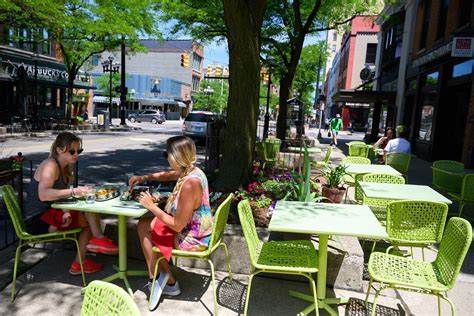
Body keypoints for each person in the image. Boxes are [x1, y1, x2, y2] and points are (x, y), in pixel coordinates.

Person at [129, 136, 213, 310]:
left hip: (193, 239)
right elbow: (167, 176)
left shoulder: (190, 184)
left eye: (167, 154)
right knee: (146, 224)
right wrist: (143, 177)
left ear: (177, 157)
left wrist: (151, 206)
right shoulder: (191, 171)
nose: (166, 157)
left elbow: (177, 225)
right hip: (198, 231)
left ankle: (162, 279)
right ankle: (164, 277)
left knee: (146, 227)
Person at [32, 132, 118, 275]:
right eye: (72, 151)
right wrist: (74, 191)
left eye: (79, 151)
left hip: (52, 213)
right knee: (90, 219)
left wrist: (66, 211)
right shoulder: (50, 165)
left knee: (89, 213)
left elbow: (60, 196)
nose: (76, 154)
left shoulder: (65, 167)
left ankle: (85, 256)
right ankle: (93, 245)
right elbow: (44, 195)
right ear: (59, 150)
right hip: (38, 220)